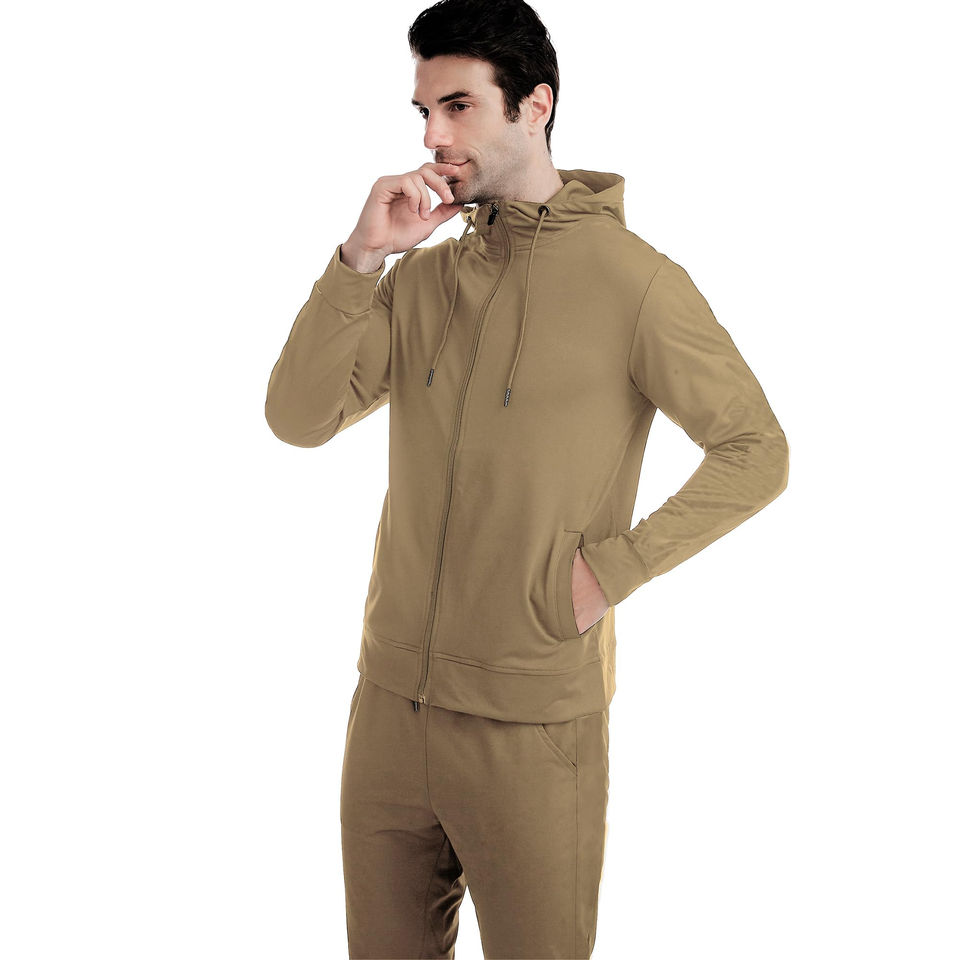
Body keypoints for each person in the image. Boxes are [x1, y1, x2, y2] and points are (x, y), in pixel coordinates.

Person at [264, 0, 789, 955]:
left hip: (531, 718)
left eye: (458, 106)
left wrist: (613, 571)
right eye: (423, 111)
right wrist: (360, 259)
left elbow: (756, 448)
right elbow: (297, 420)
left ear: (535, 105)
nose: (433, 136)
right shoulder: (422, 280)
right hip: (389, 710)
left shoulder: (636, 283)